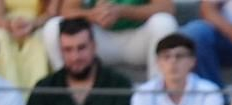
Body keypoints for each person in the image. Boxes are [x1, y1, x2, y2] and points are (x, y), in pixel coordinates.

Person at [39, 0, 177, 81]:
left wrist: (121, 11)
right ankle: (68, 89)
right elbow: (67, 11)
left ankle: (157, 91)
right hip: (100, 42)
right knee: (54, 27)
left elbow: (166, 8)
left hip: (138, 39)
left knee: (164, 22)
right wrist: (91, 15)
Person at [0, 0, 55, 87]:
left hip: (38, 23)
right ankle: (9, 93)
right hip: (5, 24)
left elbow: (51, 13)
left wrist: (33, 24)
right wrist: (10, 25)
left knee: (39, 38)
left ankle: (37, 94)